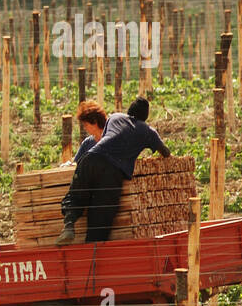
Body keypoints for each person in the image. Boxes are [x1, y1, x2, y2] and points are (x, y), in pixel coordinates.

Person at [56, 97, 170, 245]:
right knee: (102, 214)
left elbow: (105, 139)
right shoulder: (147, 130)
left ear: (129, 110)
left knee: (76, 192)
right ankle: (93, 246)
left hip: (92, 158)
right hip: (113, 172)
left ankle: (69, 225)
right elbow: (165, 152)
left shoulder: (115, 117)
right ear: (145, 116)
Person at [62, 100, 108, 166]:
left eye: (86, 125)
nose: (85, 128)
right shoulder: (87, 143)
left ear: (94, 122)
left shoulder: (112, 139)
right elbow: (77, 164)